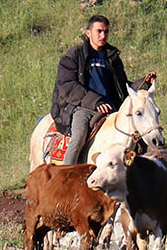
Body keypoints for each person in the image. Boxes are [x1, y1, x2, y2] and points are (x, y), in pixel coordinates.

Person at [50, 14, 155, 165]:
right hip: (83, 108)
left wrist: (144, 83)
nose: (103, 35)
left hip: (112, 109)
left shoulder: (112, 57)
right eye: (98, 31)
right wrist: (95, 101)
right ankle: (66, 175)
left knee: (139, 140)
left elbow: (122, 87)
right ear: (88, 33)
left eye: (106, 32)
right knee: (78, 139)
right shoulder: (74, 55)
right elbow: (68, 85)